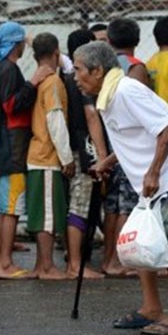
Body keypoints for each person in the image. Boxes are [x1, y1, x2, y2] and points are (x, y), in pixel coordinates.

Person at [78, 41, 168, 335]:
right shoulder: (109, 94)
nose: (75, 75)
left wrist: (154, 171)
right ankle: (151, 308)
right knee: (143, 239)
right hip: (152, 172)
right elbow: (131, 137)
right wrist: (106, 162)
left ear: (97, 71)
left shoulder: (125, 90)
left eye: (79, 69)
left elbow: (166, 127)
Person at [0, 21, 53, 279]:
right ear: (16, 44)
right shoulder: (9, 69)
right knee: (12, 209)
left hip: (1, 149)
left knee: (4, 208)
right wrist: (33, 82)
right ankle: (5, 263)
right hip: (13, 149)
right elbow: (12, 106)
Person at [100, 17, 149, 278]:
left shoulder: (106, 67)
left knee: (112, 207)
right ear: (137, 41)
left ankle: (109, 259)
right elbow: (142, 110)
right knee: (126, 206)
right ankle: (120, 261)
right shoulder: (135, 68)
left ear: (109, 39)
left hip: (111, 140)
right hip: (129, 146)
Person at [26, 33, 74, 280]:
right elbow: (55, 121)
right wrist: (67, 158)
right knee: (47, 216)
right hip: (47, 155)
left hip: (37, 154)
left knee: (41, 212)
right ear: (56, 52)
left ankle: (40, 265)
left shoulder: (38, 81)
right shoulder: (53, 82)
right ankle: (47, 267)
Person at [62, 30, 108, 279]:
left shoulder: (65, 76)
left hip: (69, 147)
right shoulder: (81, 80)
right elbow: (91, 116)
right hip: (83, 147)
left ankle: (75, 261)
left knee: (76, 204)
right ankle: (76, 265)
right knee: (79, 206)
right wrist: (102, 155)